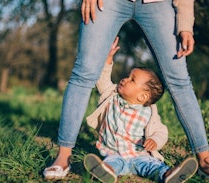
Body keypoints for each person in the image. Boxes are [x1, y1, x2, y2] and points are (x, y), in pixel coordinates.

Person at [43, 0, 209, 182]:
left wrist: (185, 24)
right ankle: (63, 156)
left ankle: (205, 161)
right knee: (84, 73)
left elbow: (160, 132)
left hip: (158, 4)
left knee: (180, 81)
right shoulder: (115, 94)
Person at [83, 37, 198, 183]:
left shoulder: (149, 113)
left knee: (153, 166)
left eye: (132, 80)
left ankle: (168, 175)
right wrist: (108, 58)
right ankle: (106, 173)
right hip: (114, 154)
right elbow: (102, 79)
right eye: (127, 76)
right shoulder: (112, 96)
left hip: (140, 155)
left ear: (143, 96)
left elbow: (161, 131)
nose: (125, 79)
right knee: (111, 164)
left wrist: (155, 141)